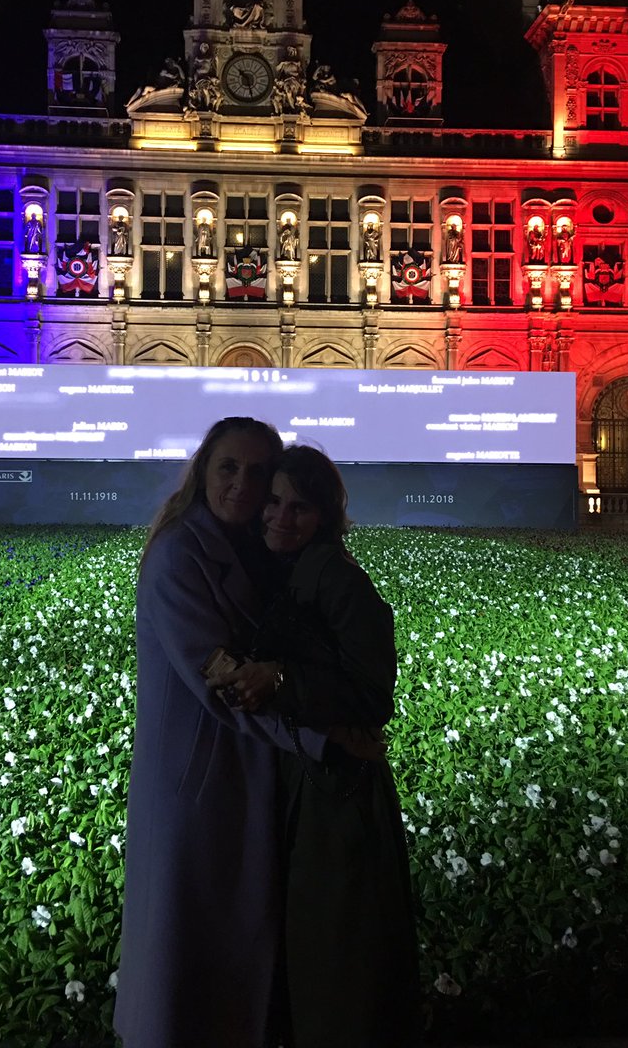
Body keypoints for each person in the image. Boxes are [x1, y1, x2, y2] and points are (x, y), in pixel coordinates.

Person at [114, 418, 334, 1048]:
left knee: (232, 946)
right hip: (197, 781)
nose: (242, 483)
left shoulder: (259, 552)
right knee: (187, 949)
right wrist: (322, 739)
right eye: (229, 468)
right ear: (204, 471)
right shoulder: (179, 554)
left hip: (242, 772)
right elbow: (219, 676)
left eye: (258, 471)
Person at [217, 446, 420, 1048]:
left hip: (340, 792)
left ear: (326, 515)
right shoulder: (288, 568)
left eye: (299, 508)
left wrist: (279, 679)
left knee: (337, 952)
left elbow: (373, 695)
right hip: (307, 779)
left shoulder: (336, 577)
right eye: (273, 503)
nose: (281, 517)